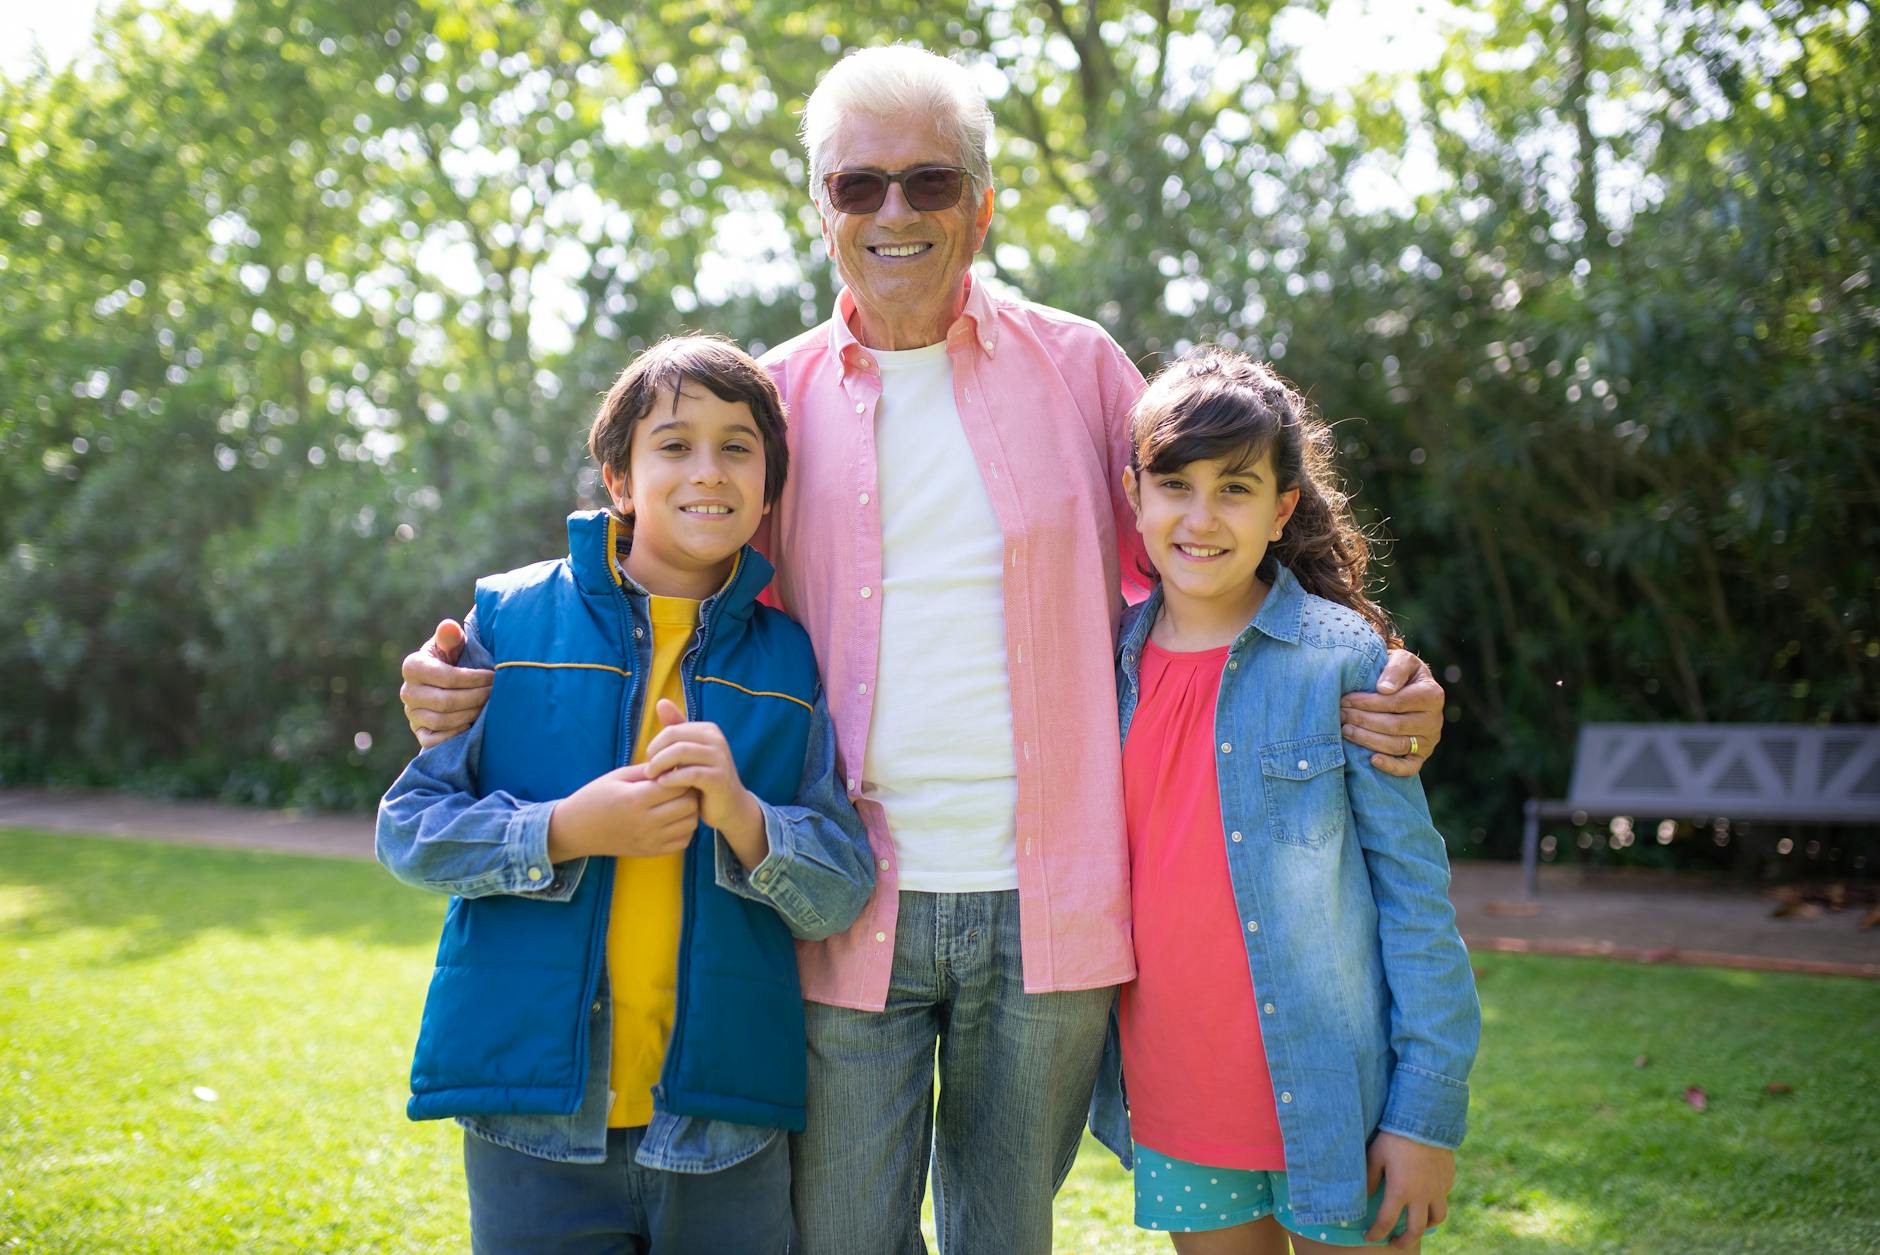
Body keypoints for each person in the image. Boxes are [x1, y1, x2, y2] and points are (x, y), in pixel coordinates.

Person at [397, 46, 1451, 1255]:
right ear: (822, 210)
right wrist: (473, 668)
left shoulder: (1081, 367)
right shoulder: (770, 405)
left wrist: (1373, 666)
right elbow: (663, 563)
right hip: (843, 902)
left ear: (981, 204)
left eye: (930, 181)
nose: (894, 210)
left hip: (1052, 904)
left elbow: (1211, 534)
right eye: (859, 185)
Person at [375, 335, 876, 1254]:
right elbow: (411, 830)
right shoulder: (510, 620)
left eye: (737, 447)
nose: (708, 469)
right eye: (674, 444)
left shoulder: (790, 658)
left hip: (724, 1119)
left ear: (769, 489)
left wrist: (744, 816)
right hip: (531, 1115)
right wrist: (566, 828)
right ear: (619, 478)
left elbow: (841, 886)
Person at [1088, 348, 1480, 1254]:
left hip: (1339, 1093)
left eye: (1235, 488)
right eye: (1175, 485)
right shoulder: (1103, 666)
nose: (1201, 517)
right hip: (1180, 1098)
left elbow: (1415, 898)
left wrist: (1425, 1115)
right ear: (1133, 496)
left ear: (1281, 508)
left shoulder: (1341, 660)